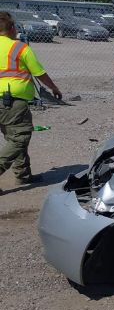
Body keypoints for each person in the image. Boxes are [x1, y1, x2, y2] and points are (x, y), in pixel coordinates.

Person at [0, 11, 62, 193]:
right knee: (20, 138)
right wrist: (54, 88)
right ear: (11, 28)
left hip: (5, 101)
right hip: (12, 101)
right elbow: (39, 73)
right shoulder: (19, 48)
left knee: (14, 137)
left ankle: (23, 174)